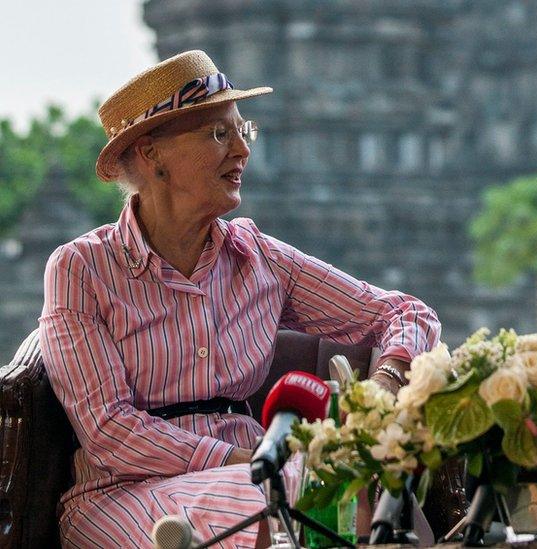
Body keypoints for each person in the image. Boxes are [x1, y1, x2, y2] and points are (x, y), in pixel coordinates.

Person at [39, 50, 440, 548]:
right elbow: (110, 432)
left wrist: (386, 379)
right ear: (150, 154)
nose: (242, 152)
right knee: (294, 499)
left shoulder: (260, 259)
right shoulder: (82, 269)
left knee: (337, 490)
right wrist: (246, 461)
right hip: (125, 491)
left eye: (241, 131)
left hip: (262, 473)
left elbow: (405, 311)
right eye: (217, 134)